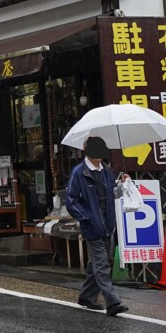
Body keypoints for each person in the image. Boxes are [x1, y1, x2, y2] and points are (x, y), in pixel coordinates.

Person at [65, 135, 129, 316]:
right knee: (102, 264)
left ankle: (86, 296)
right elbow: (70, 200)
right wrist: (86, 218)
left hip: (108, 225)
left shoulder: (106, 170)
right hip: (92, 227)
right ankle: (113, 302)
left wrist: (122, 184)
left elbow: (113, 193)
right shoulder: (79, 172)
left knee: (99, 263)